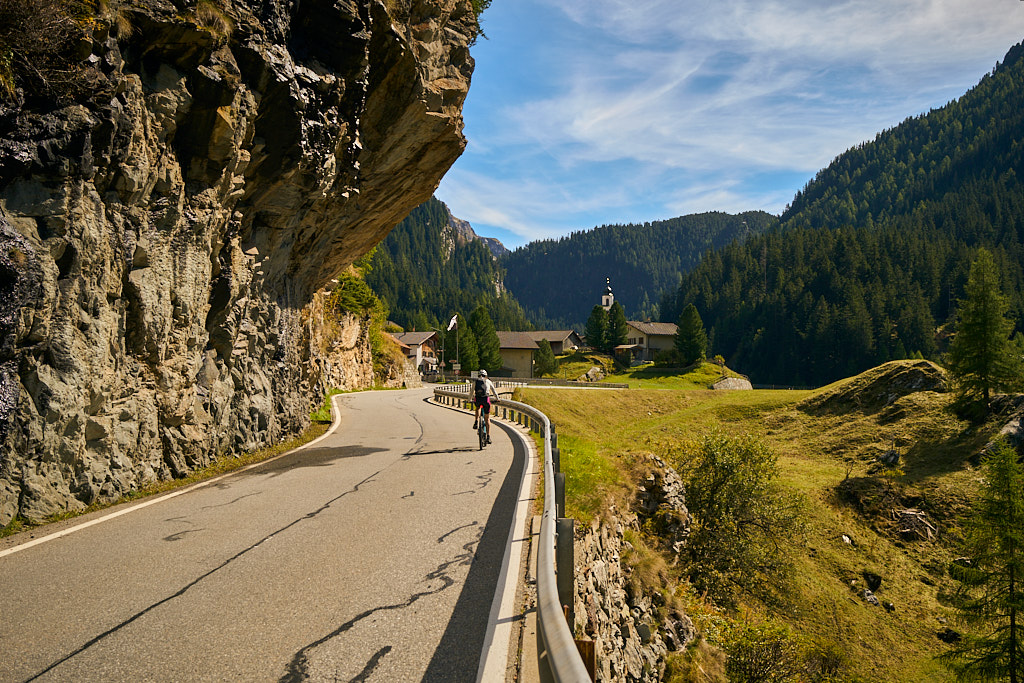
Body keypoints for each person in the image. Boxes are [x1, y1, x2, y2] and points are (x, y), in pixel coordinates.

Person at [472, 370, 500, 444]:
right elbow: (494, 391)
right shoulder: (488, 381)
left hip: (477, 399)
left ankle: (476, 421)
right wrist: (497, 398)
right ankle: (488, 436)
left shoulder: (475, 381)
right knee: (487, 419)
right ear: (486, 375)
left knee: (477, 408)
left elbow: (471, 392)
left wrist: (469, 399)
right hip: (486, 400)